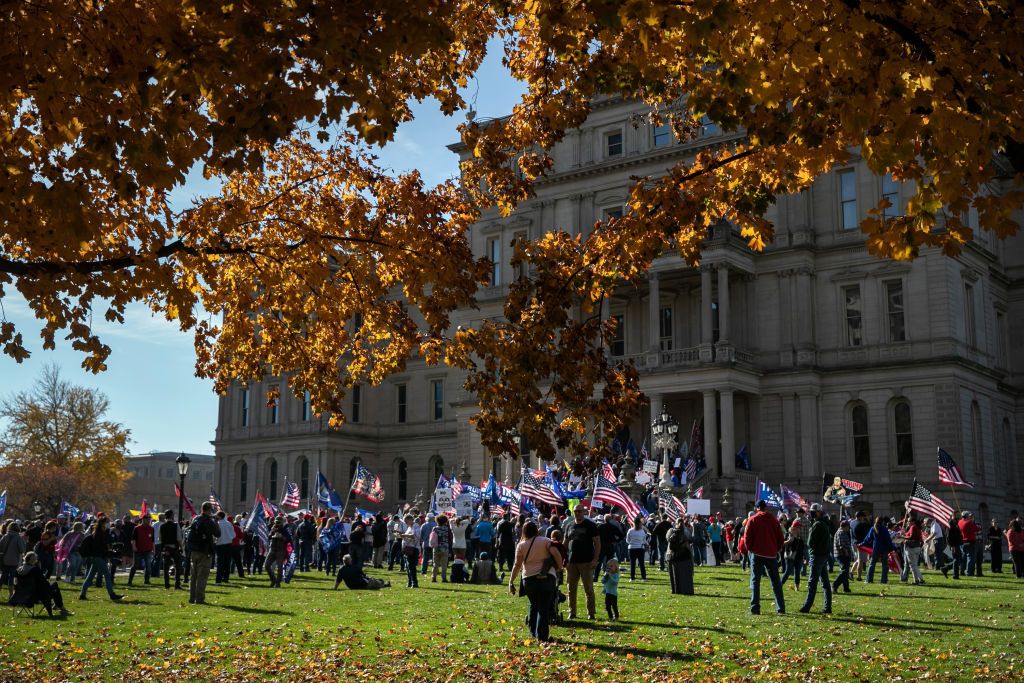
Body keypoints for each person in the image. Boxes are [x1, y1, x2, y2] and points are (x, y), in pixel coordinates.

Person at [508, 520, 563, 643]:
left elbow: (517, 565)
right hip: (547, 577)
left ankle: (533, 631)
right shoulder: (545, 541)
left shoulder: (521, 545)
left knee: (533, 604)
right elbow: (556, 553)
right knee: (543, 606)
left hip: (529, 578)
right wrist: (559, 568)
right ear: (536, 530)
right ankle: (542, 636)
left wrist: (511, 581)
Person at [742, 500, 786, 615]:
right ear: (765, 508)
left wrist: (751, 549)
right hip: (771, 554)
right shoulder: (774, 520)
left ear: (757, 508)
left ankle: (755, 607)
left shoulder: (753, 519)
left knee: (755, 581)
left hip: (757, 554)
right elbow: (780, 537)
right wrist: (776, 549)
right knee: (776, 582)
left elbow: (747, 538)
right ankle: (781, 607)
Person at [564, 505, 601, 620]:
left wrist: (595, 560)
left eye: (579, 511)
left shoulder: (591, 526)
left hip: (586, 562)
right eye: (575, 511)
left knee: (588, 589)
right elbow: (565, 544)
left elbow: (598, 543)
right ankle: (572, 612)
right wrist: (563, 559)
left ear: (584, 512)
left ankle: (591, 613)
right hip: (571, 563)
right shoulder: (569, 525)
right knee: (571, 589)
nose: (577, 513)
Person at [9, 552, 70, 617]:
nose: (36, 560)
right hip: (35, 595)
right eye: (35, 559)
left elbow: (15, 583)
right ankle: (60, 606)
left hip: (20, 595)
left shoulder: (18, 570)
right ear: (32, 560)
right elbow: (44, 583)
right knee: (54, 586)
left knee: (53, 587)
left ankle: (58, 605)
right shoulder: (35, 570)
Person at [78, 517, 124, 601]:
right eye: (107, 522)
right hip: (98, 557)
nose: (108, 524)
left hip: (96, 557)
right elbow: (101, 546)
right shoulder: (100, 533)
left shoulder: (99, 532)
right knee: (107, 575)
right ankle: (112, 594)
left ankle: (82, 594)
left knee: (90, 577)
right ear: (103, 523)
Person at [799, 504, 832, 614]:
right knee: (825, 583)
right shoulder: (825, 524)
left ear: (818, 513)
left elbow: (810, 542)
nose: (812, 513)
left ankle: (807, 606)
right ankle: (828, 607)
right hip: (823, 556)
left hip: (816, 555)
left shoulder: (817, 525)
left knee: (812, 582)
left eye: (813, 512)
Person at [187, 502, 221, 604]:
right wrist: (215, 521)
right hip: (205, 551)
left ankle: (192, 597)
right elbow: (218, 534)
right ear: (209, 510)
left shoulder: (195, 519)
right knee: (202, 576)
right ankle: (200, 598)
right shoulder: (210, 521)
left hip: (194, 550)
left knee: (194, 575)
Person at [861, 516, 897, 584]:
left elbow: (868, 539)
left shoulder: (873, 528)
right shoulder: (884, 529)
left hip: (876, 548)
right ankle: (884, 580)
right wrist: (894, 548)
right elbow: (888, 540)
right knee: (885, 565)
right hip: (884, 549)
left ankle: (869, 580)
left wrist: (862, 544)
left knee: (872, 564)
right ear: (883, 522)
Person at [780, 509, 808, 590]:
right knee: (788, 571)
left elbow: (802, 549)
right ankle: (780, 584)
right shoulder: (788, 535)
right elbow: (782, 544)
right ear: (795, 528)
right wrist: (789, 541)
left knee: (797, 572)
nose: (801, 529)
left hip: (798, 557)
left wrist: (804, 558)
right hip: (789, 556)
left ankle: (797, 586)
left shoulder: (800, 538)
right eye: (799, 528)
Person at [665, 518, 693, 595]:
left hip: (673, 556)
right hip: (683, 555)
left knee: (674, 575)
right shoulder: (685, 531)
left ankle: (676, 590)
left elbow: (668, 540)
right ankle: (686, 590)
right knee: (685, 575)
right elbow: (690, 540)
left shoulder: (673, 531)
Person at [159, 510, 184, 590]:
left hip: (166, 548)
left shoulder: (162, 526)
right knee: (178, 566)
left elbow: (160, 538)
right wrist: (181, 547)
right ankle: (177, 584)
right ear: (172, 516)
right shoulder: (176, 525)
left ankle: (166, 584)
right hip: (174, 547)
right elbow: (179, 538)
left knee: (166, 567)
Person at [128, 515, 155, 586]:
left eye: (149, 519)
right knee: (135, 566)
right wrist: (134, 547)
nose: (149, 521)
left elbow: (152, 540)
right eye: (147, 519)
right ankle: (130, 580)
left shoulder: (151, 529)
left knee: (148, 566)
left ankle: (146, 580)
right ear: (143, 520)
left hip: (148, 550)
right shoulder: (137, 528)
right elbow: (133, 539)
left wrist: (153, 549)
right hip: (138, 550)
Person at [1, 522, 27, 589]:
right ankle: (11, 594)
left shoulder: (5, 536)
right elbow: (22, 550)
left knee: (3, 576)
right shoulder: (18, 538)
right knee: (12, 577)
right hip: (14, 560)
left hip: (4, 559)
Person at [831, 519, 854, 594]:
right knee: (844, 571)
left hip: (841, 554)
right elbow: (842, 545)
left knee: (845, 571)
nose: (849, 529)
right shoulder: (841, 533)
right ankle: (835, 585)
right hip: (842, 554)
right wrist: (846, 552)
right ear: (845, 526)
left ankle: (846, 588)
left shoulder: (841, 532)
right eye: (848, 527)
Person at [902, 516, 926, 585]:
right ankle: (918, 580)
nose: (907, 522)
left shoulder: (913, 527)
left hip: (911, 547)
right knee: (914, 565)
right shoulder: (916, 527)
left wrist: (903, 537)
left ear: (913, 522)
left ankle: (918, 580)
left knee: (913, 565)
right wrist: (904, 534)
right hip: (917, 547)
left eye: (909, 521)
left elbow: (911, 536)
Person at [266, 519, 289, 587]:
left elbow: (288, 539)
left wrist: (281, 537)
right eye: (276, 522)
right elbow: (269, 537)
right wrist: (272, 532)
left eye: (278, 523)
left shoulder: (284, 530)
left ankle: (278, 583)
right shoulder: (273, 529)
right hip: (272, 549)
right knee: (267, 565)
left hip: (280, 550)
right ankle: (273, 580)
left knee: (279, 567)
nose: (277, 524)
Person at [401, 514, 421, 588]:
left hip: (413, 549)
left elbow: (415, 536)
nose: (405, 523)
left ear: (410, 520)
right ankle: (410, 581)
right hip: (407, 548)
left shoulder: (416, 526)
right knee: (407, 566)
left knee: (411, 566)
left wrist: (405, 535)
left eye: (406, 521)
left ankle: (414, 582)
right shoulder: (409, 527)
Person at [214, 511, 234, 584]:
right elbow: (233, 535)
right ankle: (226, 578)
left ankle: (218, 579)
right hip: (228, 544)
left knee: (220, 563)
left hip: (220, 544)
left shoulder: (218, 524)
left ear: (219, 516)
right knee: (227, 562)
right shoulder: (229, 524)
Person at [431, 514, 453, 582]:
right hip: (445, 547)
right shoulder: (447, 529)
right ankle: (444, 578)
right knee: (444, 564)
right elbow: (450, 538)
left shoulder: (435, 528)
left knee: (435, 564)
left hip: (436, 547)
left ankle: (433, 577)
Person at [625, 517, 648, 581]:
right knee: (641, 564)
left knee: (632, 564)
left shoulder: (630, 530)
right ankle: (643, 577)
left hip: (631, 548)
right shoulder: (642, 531)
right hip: (640, 548)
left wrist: (632, 543)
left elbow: (627, 540)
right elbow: (644, 541)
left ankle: (632, 578)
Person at [958, 511, 980, 577]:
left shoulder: (959, 522)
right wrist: (972, 521)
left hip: (963, 542)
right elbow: (977, 529)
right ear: (967, 516)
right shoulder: (969, 523)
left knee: (963, 558)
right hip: (970, 542)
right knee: (970, 558)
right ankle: (969, 572)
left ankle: (962, 571)